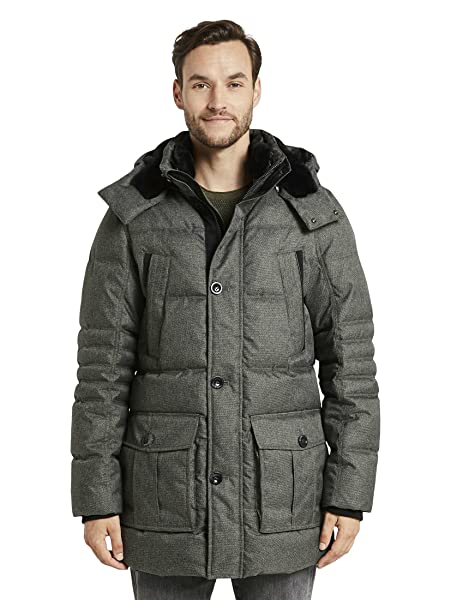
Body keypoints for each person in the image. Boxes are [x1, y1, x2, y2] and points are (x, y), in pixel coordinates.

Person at [70, 19, 380, 600]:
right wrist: (96, 497)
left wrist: (349, 493)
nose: (218, 100)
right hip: (165, 497)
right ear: (178, 92)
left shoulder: (312, 215)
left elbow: (351, 362)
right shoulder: (134, 217)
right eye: (201, 84)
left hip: (283, 499)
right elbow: (102, 369)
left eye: (234, 83)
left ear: (256, 90)